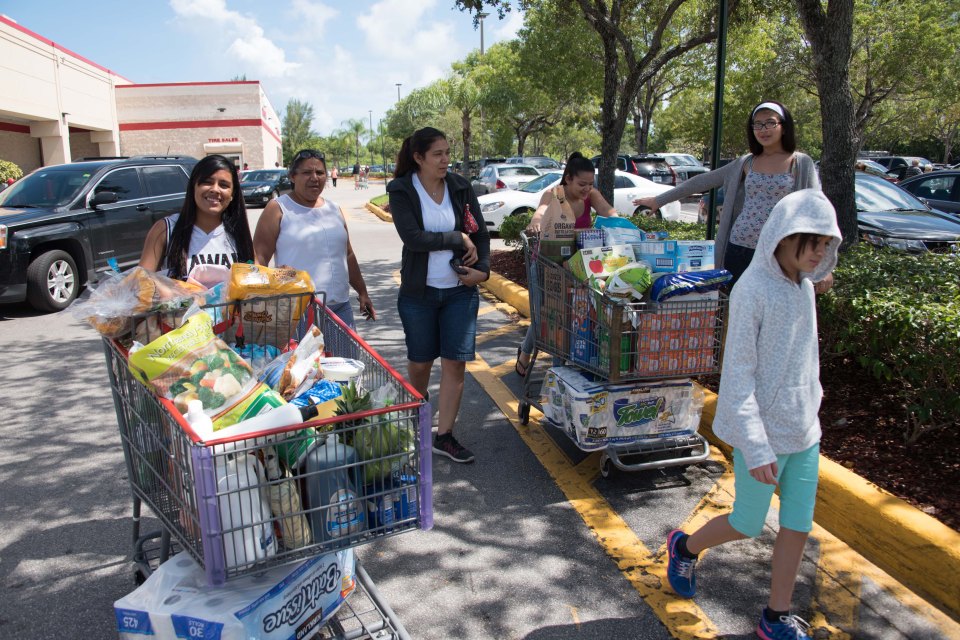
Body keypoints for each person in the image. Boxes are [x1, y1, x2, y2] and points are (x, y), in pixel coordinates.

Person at [664, 189, 840, 640]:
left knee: (797, 524)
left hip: (804, 430)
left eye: (827, 244)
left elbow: (806, 360)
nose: (821, 252)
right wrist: (757, 445)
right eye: (814, 241)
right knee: (746, 522)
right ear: (784, 235)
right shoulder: (752, 290)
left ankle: (775, 616)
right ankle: (684, 546)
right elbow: (738, 376)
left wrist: (812, 407)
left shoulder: (803, 287)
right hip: (762, 432)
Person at [634, 101, 824, 287]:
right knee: (735, 309)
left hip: (780, 252)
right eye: (757, 124)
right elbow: (702, 181)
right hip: (740, 247)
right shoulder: (746, 163)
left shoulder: (800, 163)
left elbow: (817, 212)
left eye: (770, 122)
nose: (763, 129)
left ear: (784, 127)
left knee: (775, 312)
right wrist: (659, 200)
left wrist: (823, 265)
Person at [387, 127, 490, 463]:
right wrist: (457, 238)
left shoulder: (459, 187)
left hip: (459, 292)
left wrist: (483, 271)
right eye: (438, 154)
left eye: (448, 152)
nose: (446, 160)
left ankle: (444, 435)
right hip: (419, 293)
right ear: (419, 158)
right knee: (420, 363)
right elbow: (413, 238)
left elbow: (481, 233)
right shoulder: (401, 189)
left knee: (455, 363)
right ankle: (417, 412)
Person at [514, 152, 620, 377]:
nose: (586, 189)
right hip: (548, 266)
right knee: (548, 314)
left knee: (572, 315)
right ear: (568, 178)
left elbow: (609, 212)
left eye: (590, 184)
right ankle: (542, 363)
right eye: (582, 184)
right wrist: (535, 223)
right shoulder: (554, 195)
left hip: (579, 268)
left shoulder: (592, 196)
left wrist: (621, 224)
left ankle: (559, 374)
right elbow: (540, 213)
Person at [253, 149, 375, 329]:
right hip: (297, 312)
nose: (314, 178)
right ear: (293, 176)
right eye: (306, 172)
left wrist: (362, 292)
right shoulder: (278, 208)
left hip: (340, 309)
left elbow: (347, 254)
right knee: (303, 359)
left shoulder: (334, 209)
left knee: (345, 358)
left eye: (319, 172)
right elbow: (259, 257)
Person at [139, 154, 254, 281]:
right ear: (193, 186)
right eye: (207, 182)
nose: (215, 189)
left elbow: (256, 279)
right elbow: (141, 282)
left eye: (224, 185)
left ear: (232, 194)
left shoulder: (238, 233)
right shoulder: (166, 229)